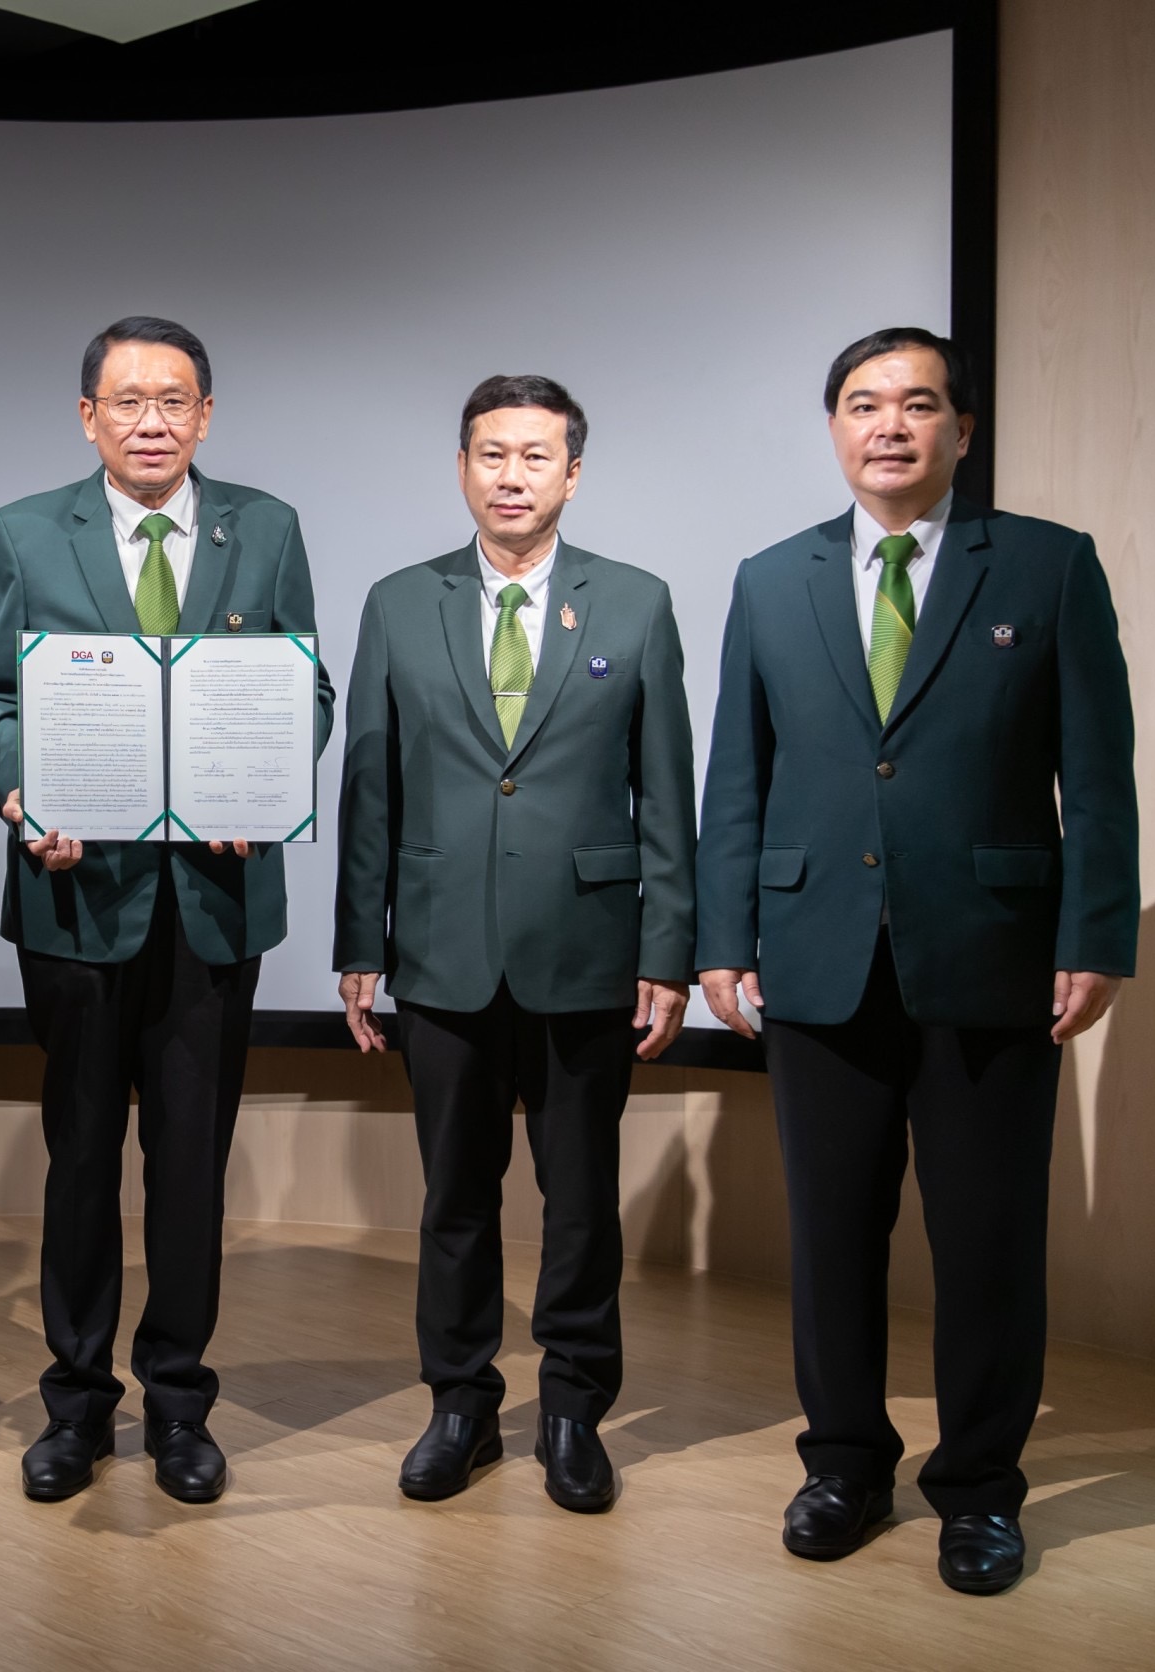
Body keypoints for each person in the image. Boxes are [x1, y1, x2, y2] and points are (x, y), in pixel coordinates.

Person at [695, 327, 1138, 1595]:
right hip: (816, 955)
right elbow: (741, 773)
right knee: (831, 1237)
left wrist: (1095, 934)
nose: (889, 424)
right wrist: (723, 931)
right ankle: (842, 1463)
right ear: (834, 428)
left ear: (963, 428)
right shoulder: (771, 578)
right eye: (862, 403)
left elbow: (1097, 775)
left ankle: (982, 1490)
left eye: (918, 404)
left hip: (994, 956)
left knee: (989, 1242)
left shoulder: (1048, 566)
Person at [0, 316, 335, 1505]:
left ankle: (181, 1406)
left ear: (206, 415)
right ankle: (74, 1406)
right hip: (76, 900)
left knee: (190, 1170)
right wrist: (22, 793)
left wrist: (267, 777)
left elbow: (304, 683)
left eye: (174, 400)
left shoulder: (264, 526)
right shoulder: (26, 530)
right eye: (127, 402)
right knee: (79, 1164)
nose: (151, 422)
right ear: (88, 417)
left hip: (215, 902)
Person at [333, 375, 695, 1514]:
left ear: (572, 475)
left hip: (589, 949)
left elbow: (667, 791)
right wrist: (360, 941)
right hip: (440, 951)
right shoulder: (400, 601)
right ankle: (461, 1403)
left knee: (580, 1197)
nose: (512, 476)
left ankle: (576, 1407)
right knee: (455, 1195)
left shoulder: (635, 601)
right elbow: (370, 786)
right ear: (461, 467)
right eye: (492, 454)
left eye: (536, 457)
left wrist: (670, 949)